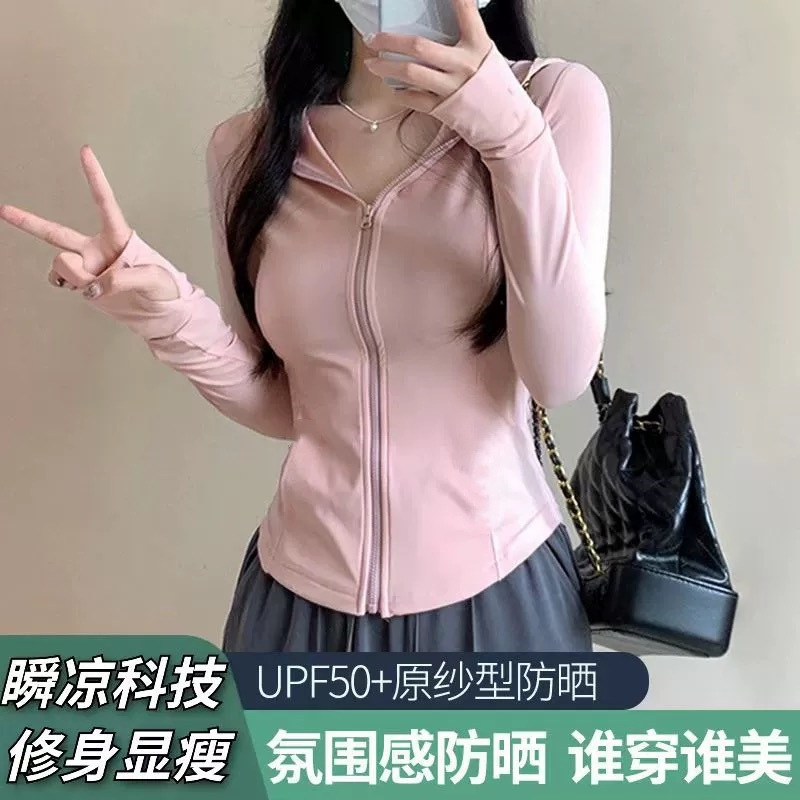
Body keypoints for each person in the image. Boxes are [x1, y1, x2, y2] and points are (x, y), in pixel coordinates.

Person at [0, 0, 611, 652]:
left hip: (497, 594)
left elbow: (559, 376)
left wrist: (511, 138)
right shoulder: (248, 150)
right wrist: (164, 310)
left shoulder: (551, 102)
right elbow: (283, 403)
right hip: (295, 605)